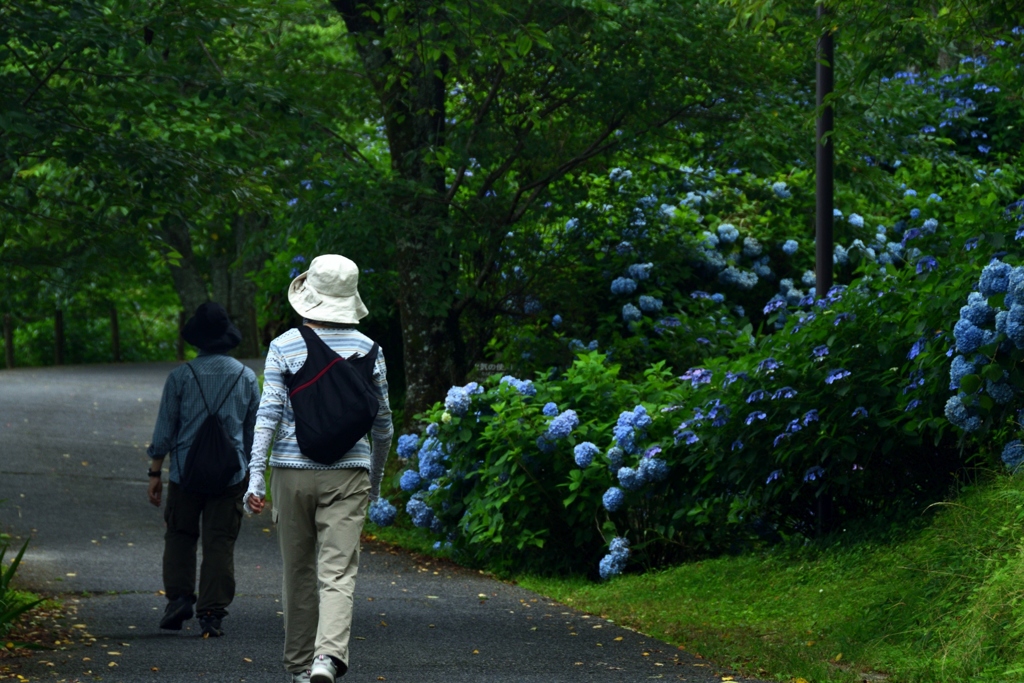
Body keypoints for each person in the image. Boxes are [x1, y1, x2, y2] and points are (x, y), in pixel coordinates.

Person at [245, 254, 393, 683]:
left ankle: (297, 666)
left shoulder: (284, 346)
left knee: (298, 572)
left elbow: (268, 415)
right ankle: (326, 658)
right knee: (338, 571)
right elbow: (383, 426)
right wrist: (375, 482)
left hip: (290, 473)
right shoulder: (371, 351)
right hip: (349, 474)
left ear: (309, 294)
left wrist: (255, 476)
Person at [147, 302, 260, 637]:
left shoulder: (180, 376)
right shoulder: (246, 377)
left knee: (180, 535)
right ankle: (212, 611)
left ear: (198, 339)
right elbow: (254, 432)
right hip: (231, 474)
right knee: (220, 541)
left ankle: (180, 598)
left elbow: (164, 430)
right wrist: (256, 478)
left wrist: (155, 473)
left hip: (186, 471)